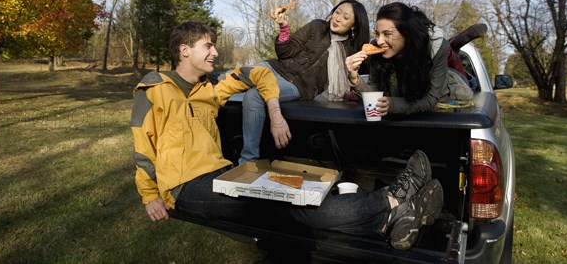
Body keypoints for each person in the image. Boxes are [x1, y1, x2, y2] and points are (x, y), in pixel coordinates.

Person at [130, 21, 443, 250]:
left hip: (221, 174)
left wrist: (275, 112)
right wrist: (149, 195)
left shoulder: (209, 89)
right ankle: (390, 199)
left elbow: (260, 73)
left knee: (295, 193)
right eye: (207, 46)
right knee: (282, 205)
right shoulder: (155, 87)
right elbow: (143, 145)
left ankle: (383, 224)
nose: (214, 51)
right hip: (184, 187)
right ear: (184, 50)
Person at [239, 0, 370, 164]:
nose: (337, 18)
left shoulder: (353, 49)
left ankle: (247, 161)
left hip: (297, 86)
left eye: (345, 17)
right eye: (337, 12)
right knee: (231, 77)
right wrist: (284, 27)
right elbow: (286, 52)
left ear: (354, 25)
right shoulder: (317, 26)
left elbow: (359, 79)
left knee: (254, 95)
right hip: (276, 68)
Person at [346, 2, 486, 115]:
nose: (380, 40)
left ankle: (454, 45)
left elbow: (430, 100)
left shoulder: (434, 48)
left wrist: (393, 105)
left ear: (406, 33)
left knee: (452, 60)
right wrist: (354, 78)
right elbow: (374, 93)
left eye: (387, 33)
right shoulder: (377, 51)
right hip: (408, 91)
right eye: (377, 33)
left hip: (450, 86)